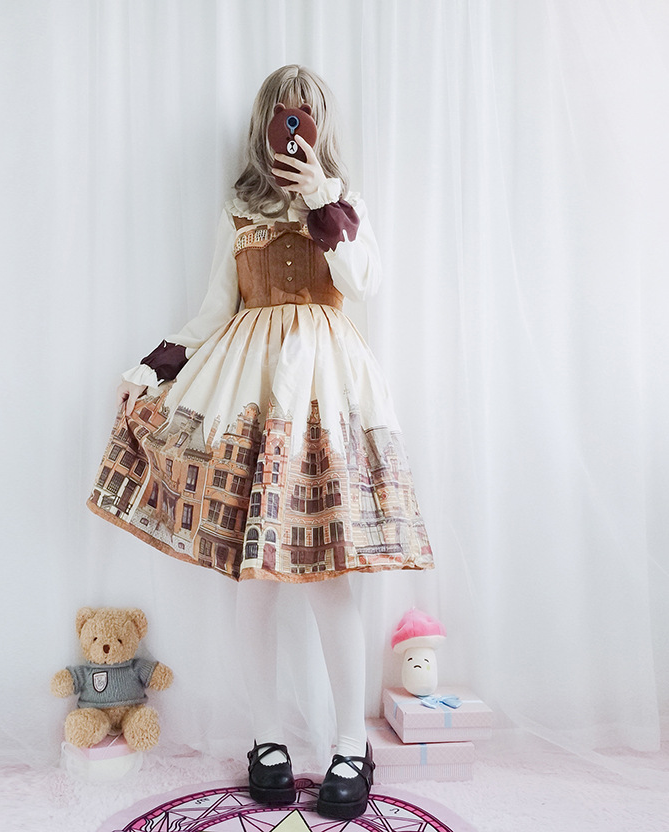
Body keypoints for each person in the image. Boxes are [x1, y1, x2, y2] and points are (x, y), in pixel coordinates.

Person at [87, 64, 433, 820]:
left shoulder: (342, 202)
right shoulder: (238, 209)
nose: (293, 128)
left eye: (304, 115)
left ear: (320, 125)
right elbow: (213, 310)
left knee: (332, 574)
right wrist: (149, 368)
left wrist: (321, 197)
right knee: (256, 578)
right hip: (250, 395)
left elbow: (364, 281)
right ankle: (266, 739)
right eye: (282, 115)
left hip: (325, 394)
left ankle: (350, 744)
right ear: (264, 123)